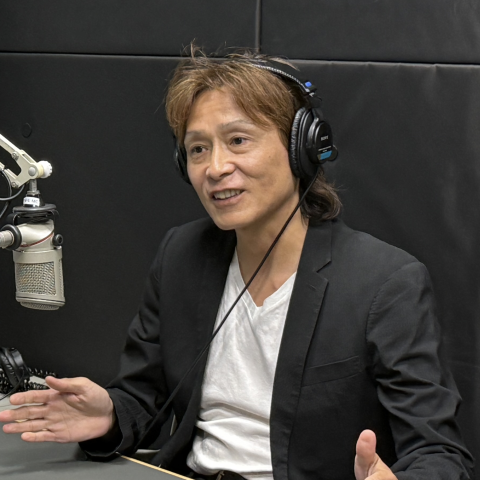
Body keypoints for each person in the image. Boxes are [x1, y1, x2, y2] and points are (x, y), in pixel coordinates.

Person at [0, 50, 474, 480]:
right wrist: (109, 415)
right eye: (198, 149)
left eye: (239, 140)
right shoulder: (181, 254)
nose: (215, 167)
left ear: (302, 148)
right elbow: (142, 399)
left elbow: (440, 454)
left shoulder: (385, 282)